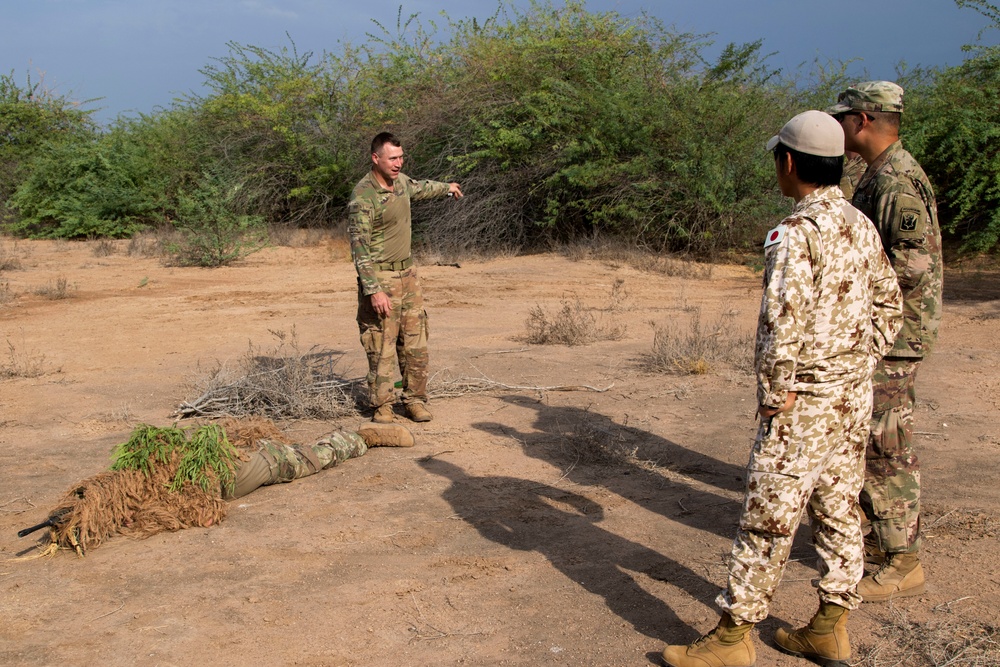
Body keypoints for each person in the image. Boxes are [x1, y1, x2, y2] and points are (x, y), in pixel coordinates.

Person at [660, 111, 902, 667]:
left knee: (768, 518)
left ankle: (732, 638)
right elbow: (891, 306)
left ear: (788, 163)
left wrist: (777, 393)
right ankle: (830, 625)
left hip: (804, 401)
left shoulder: (796, 234)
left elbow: (780, 325)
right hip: (850, 395)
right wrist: (857, 362)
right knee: (840, 508)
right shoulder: (859, 223)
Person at [829, 81, 943, 602]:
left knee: (885, 444)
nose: (841, 126)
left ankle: (903, 560)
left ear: (865, 120)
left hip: (893, 337)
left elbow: (912, 267)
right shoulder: (878, 175)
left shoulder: (896, 181)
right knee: (872, 440)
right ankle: (880, 545)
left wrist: (857, 297)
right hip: (881, 334)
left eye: (845, 117)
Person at [22, 422, 415, 557]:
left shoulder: (140, 485)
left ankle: (361, 438)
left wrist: (193, 514)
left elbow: (204, 510)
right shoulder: (123, 484)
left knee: (305, 460)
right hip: (218, 464)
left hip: (240, 470)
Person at [348, 132, 463, 424]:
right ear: (376, 159)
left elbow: (420, 188)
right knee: (381, 344)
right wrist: (373, 290)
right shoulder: (364, 196)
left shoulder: (401, 182)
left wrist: (447, 188)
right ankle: (382, 406)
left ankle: (414, 400)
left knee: (415, 341)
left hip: (409, 276)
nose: (399, 163)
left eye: (401, 157)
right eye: (393, 158)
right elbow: (359, 247)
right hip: (381, 277)